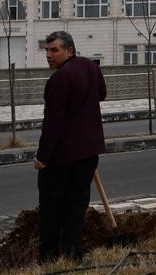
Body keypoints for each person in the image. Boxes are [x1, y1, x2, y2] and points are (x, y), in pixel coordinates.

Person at [34, 31, 106, 262]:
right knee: (77, 205)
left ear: (70, 50)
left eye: (54, 50)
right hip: (89, 151)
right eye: (46, 50)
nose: (49, 55)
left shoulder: (59, 79)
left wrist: (42, 156)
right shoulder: (90, 67)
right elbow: (102, 94)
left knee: (52, 208)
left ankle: (49, 258)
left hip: (61, 156)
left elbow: (53, 122)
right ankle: (72, 253)